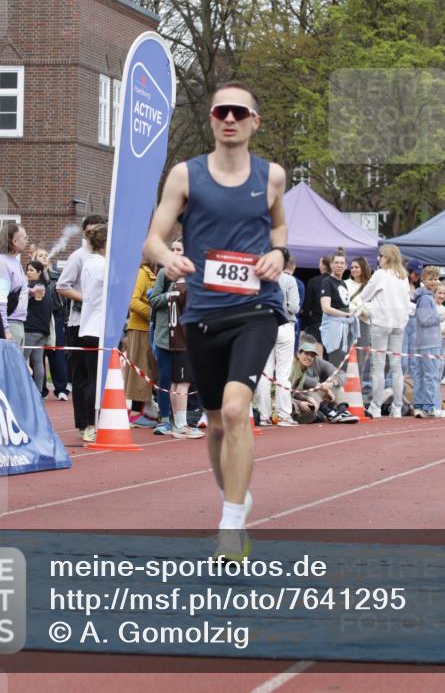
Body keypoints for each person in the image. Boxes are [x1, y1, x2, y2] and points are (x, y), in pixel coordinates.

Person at [144, 81, 287, 558]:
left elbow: (280, 225)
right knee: (215, 424)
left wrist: (279, 253)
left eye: (239, 113)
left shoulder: (272, 177)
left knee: (233, 409)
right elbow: (154, 238)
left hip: (256, 309)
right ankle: (236, 495)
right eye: (221, 112)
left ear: (254, 122)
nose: (230, 119)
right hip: (203, 312)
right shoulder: (185, 175)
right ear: (210, 119)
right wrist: (167, 257)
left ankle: (231, 523)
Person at [149, 238, 204, 439]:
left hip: (178, 335)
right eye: (172, 249)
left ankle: (179, 421)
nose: (174, 252)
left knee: (178, 380)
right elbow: (155, 300)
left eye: (178, 249)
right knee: (175, 380)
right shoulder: (177, 281)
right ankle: (173, 422)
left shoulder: (187, 281)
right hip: (176, 336)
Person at [56, 213, 107, 412]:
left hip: (99, 323)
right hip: (80, 322)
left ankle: (96, 419)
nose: (94, 235)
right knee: (82, 376)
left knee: (98, 374)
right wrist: (86, 298)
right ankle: (84, 423)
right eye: (90, 231)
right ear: (85, 233)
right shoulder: (79, 256)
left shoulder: (105, 256)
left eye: (98, 231)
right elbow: (61, 286)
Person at [356, 245, 410, 419]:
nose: (379, 259)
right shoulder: (403, 276)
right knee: (396, 367)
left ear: (386, 257)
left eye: (380, 256)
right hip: (399, 323)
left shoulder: (380, 275)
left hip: (381, 322)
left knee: (378, 366)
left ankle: (376, 406)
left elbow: (364, 296)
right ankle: (397, 407)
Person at [255, 259, 299, 426]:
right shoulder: (289, 280)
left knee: (265, 373)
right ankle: (283, 415)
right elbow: (294, 307)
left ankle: (264, 415)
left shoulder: (260, 278)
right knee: (283, 373)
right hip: (285, 325)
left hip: (264, 325)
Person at [74, 224, 107, 443]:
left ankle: (88, 423)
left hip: (87, 326)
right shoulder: (102, 266)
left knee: (88, 378)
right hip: (96, 328)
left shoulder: (89, 263)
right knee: (94, 380)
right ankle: (90, 424)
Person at [123, 260, 159, 427]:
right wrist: (153, 314)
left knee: (147, 370)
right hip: (140, 329)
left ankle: (141, 410)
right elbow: (133, 300)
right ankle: (135, 414)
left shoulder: (151, 273)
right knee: (141, 370)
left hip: (148, 329)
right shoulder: (142, 273)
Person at [290, 337, 358, 424]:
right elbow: (303, 380)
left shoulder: (317, 361)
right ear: (298, 352)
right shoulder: (291, 363)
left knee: (337, 385)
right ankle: (325, 413)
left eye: (312, 354)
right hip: (300, 397)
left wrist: (331, 383)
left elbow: (341, 374)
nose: (309, 357)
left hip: (311, 398)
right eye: (306, 353)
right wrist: (322, 387)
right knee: (311, 390)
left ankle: (342, 411)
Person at [33, 247, 68, 400]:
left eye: (46, 255)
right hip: (37, 317)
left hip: (56, 317)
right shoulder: (30, 277)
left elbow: (64, 299)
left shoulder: (57, 276)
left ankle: (61, 389)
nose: (44, 257)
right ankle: (40, 389)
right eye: (40, 255)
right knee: (37, 355)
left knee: (57, 353)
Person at [411, 265, 444, 418]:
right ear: (423, 279)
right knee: (430, 375)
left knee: (420, 375)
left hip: (422, 342)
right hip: (429, 342)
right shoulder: (426, 299)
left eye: (436, 279)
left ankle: (420, 405)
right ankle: (429, 406)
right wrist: (441, 317)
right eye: (430, 279)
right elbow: (425, 320)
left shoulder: (423, 297)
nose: (434, 282)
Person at [319, 250, 358, 369]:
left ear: (346, 266)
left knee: (343, 362)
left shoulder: (343, 283)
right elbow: (326, 308)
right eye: (336, 263)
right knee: (335, 362)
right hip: (334, 327)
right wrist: (345, 315)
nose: (339, 265)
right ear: (331, 264)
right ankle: (333, 387)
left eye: (342, 263)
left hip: (345, 327)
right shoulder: (326, 282)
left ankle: (339, 386)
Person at [0, 221, 28, 348]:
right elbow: (1, 299)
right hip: (11, 324)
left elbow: (14, 290)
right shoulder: (2, 263)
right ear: (14, 241)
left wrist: (30, 292)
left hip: (18, 323)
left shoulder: (14, 261)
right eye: (25, 238)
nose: (27, 241)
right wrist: (6, 330)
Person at [345, 256, 372, 399]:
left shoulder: (370, 286)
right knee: (345, 359)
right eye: (352, 267)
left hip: (364, 325)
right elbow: (345, 306)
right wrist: (360, 308)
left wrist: (357, 308)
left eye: (357, 267)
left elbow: (372, 310)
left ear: (363, 268)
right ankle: (343, 393)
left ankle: (357, 396)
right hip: (348, 324)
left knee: (360, 361)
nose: (354, 269)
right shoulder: (345, 284)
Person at [24, 259, 52, 395]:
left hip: (31, 329)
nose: (28, 273)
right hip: (43, 330)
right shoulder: (46, 287)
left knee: (21, 360)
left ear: (39, 272)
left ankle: (24, 392)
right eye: (27, 270)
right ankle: (38, 392)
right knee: (38, 361)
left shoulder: (34, 288)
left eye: (31, 270)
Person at [401, 258, 423, 375]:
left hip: (415, 323)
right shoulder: (401, 284)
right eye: (415, 274)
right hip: (404, 322)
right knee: (402, 358)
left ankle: (411, 386)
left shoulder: (420, 286)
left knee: (413, 357)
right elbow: (403, 304)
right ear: (409, 271)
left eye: (419, 274)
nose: (417, 276)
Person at [303, 256, 331, 346]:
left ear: (324, 266)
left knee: (316, 353)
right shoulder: (338, 282)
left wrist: (305, 324)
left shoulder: (313, 281)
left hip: (316, 323)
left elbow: (307, 305)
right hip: (333, 323)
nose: (319, 266)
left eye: (320, 263)